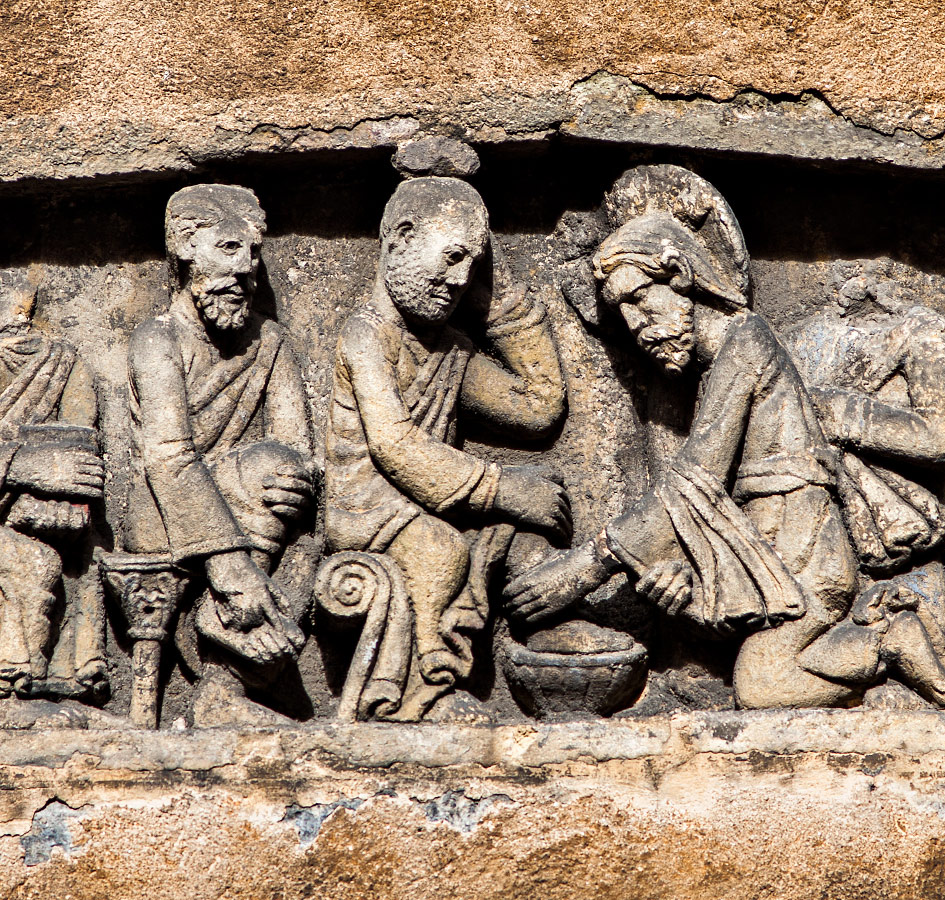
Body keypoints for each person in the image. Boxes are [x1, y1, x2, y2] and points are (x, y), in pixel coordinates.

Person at [503, 165, 945, 710]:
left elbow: (697, 476)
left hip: (801, 541)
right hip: (774, 536)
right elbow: (702, 498)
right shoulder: (713, 367)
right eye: (623, 315)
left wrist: (589, 565)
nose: (637, 325)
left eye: (643, 301)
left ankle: (888, 640)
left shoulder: (745, 340)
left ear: (682, 277)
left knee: (763, 686)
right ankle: (882, 643)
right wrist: (685, 584)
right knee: (762, 673)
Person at [323, 159, 569, 721]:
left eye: (473, 265)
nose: (461, 278)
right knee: (441, 548)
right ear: (401, 242)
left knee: (515, 537)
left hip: (432, 500)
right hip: (368, 505)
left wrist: (497, 297)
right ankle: (415, 696)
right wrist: (500, 487)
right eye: (453, 257)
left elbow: (538, 407)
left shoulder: (453, 349)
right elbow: (393, 442)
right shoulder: (366, 333)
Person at [123, 184, 315, 726]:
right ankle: (224, 622)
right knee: (266, 469)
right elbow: (168, 459)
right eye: (230, 249)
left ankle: (224, 689)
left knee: (310, 502)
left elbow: (297, 445)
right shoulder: (157, 340)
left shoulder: (268, 342)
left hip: (251, 503)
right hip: (167, 512)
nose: (245, 269)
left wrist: (300, 480)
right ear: (186, 247)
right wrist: (232, 569)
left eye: (254, 254)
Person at [0, 273, 104, 701]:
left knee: (94, 548)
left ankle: (65, 674)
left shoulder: (61, 361)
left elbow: (80, 439)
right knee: (32, 564)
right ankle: (14, 681)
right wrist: (24, 466)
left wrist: (73, 473)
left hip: (33, 516)